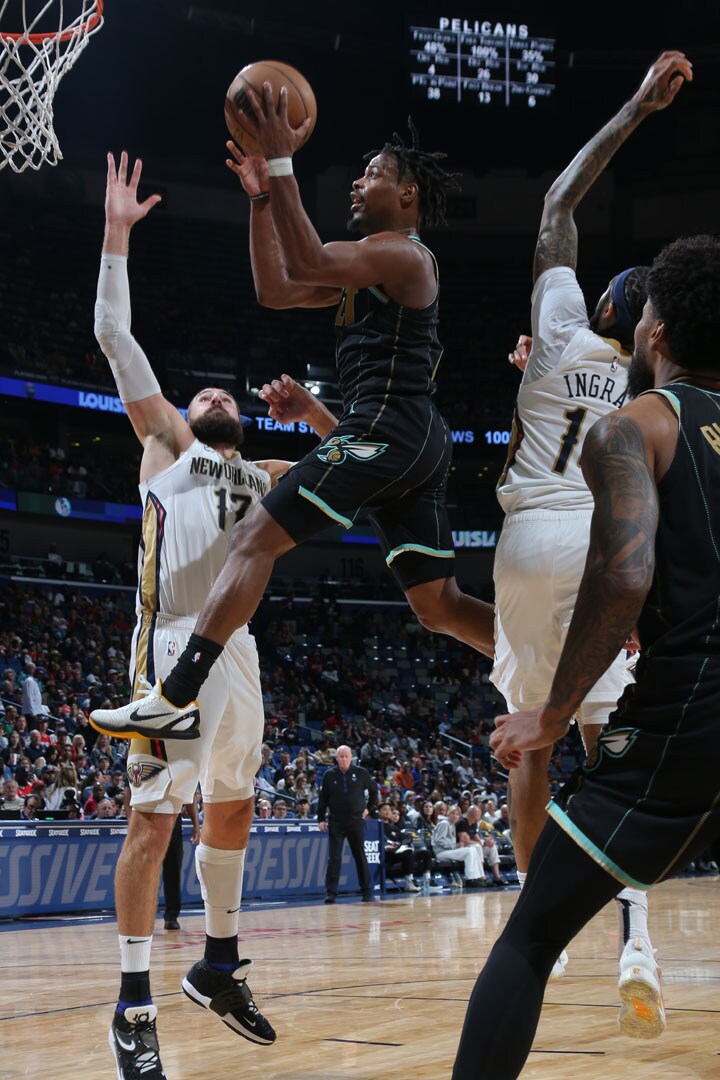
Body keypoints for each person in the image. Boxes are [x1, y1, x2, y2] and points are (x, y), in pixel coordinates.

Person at [90, 102, 498, 745]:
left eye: (372, 174)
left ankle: (173, 695)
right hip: (408, 440)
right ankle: (543, 666)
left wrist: (281, 160)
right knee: (438, 605)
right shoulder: (369, 268)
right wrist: (260, 201)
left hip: (392, 425)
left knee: (254, 537)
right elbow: (277, 288)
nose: (359, 184)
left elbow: (305, 261)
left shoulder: (404, 255)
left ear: (409, 193)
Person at [452, 232, 720, 1078]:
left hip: (691, 716)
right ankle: (637, 940)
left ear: (658, 334)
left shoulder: (631, 425)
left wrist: (551, 714)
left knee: (530, 934)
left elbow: (625, 574)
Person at [491, 50, 691, 992]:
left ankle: (538, 935)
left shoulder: (559, 321)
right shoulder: (655, 386)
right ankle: (637, 941)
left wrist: (635, 107)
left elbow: (560, 203)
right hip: (607, 536)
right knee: (611, 750)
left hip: (531, 538)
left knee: (528, 739)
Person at [90, 152, 284, 1080]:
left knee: (235, 803)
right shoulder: (167, 442)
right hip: (169, 644)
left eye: (225, 395)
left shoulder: (265, 476)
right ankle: (133, 1003)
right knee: (151, 825)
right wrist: (117, 236)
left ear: (243, 420)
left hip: (237, 651)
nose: (212, 397)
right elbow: (114, 337)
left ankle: (217, 964)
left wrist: (318, 412)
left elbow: (364, 464)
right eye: (203, 391)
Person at [317, 745, 378, 903]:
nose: (343, 759)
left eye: (346, 756)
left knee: (360, 856)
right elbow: (323, 799)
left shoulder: (361, 773)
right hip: (336, 821)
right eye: (340, 756)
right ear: (336, 758)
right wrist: (321, 819)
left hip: (355, 820)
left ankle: (366, 892)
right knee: (334, 857)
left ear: (351, 757)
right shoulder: (329, 775)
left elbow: (374, 792)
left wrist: (368, 809)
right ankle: (331, 893)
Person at [162, 795, 201, 930]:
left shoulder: (182, 773)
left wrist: (196, 825)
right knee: (147, 873)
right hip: (148, 816)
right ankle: (141, 916)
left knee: (173, 871)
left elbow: (189, 795)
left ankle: (171, 916)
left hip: (173, 819)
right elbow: (128, 793)